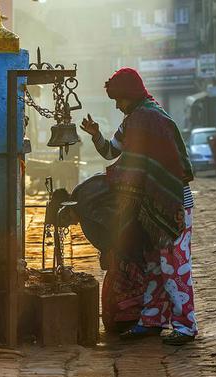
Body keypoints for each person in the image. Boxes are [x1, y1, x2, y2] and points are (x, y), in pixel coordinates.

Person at [78, 67, 197, 345]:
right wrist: (95, 134)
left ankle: (186, 326)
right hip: (151, 206)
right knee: (154, 265)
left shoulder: (151, 118)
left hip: (172, 203)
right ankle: (152, 320)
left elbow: (163, 166)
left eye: (119, 99)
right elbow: (112, 151)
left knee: (174, 266)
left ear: (129, 95)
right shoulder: (133, 119)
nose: (117, 105)